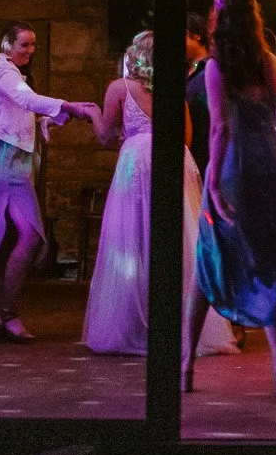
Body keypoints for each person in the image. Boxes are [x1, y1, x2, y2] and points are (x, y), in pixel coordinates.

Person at [82, 32, 236, 358]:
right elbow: (187, 137)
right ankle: (180, 327)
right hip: (173, 160)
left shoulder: (119, 88)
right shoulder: (175, 93)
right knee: (175, 241)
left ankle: (133, 326)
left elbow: (106, 135)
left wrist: (93, 112)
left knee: (131, 242)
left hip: (136, 163)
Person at [185, 0, 276, 398]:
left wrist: (213, 180)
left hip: (232, 165)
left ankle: (184, 368)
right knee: (269, 261)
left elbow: (220, 126)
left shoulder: (217, 67)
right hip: (267, 164)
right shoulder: (271, 62)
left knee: (210, 255)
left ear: (218, 18)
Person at [0, 23, 98, 343]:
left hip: (11, 157)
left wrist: (45, 121)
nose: (30, 50)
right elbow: (26, 99)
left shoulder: (11, 73)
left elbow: (20, 109)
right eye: (25, 44)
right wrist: (68, 107)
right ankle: (4, 315)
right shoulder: (3, 72)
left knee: (24, 236)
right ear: (7, 44)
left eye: (33, 45)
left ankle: (0, 316)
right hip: (4, 157)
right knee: (29, 235)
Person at [184, 13, 211, 174]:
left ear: (197, 36)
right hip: (188, 156)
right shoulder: (184, 71)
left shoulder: (212, 70)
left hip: (206, 155)